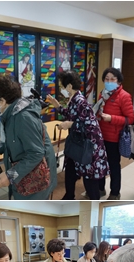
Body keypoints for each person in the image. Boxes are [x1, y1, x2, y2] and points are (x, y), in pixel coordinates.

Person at [0, 74, 57, 200]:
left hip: (36, 179)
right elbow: (15, 139)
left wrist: (10, 175)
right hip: (25, 174)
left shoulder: (23, 117)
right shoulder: (12, 113)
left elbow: (36, 153)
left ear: (2, 101)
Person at [47, 71, 108, 200]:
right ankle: (69, 195)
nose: (62, 89)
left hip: (88, 146)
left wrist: (70, 125)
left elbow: (90, 125)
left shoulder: (80, 101)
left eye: (62, 86)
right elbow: (72, 115)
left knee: (89, 179)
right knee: (70, 169)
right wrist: (58, 106)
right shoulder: (73, 99)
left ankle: (94, 202)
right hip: (77, 143)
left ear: (69, 86)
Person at [92, 68, 134, 200]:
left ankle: (115, 193)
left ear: (118, 81)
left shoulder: (124, 96)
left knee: (113, 165)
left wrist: (112, 118)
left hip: (114, 138)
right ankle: (100, 189)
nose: (109, 82)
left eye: (112, 79)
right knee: (99, 163)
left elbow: (130, 119)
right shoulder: (102, 94)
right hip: (100, 135)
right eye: (107, 79)